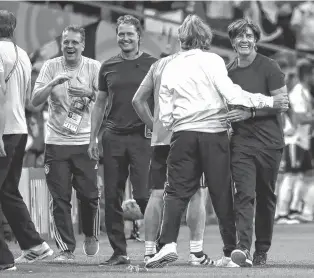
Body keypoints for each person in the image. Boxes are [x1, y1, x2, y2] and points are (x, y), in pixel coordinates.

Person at [144, 14, 289, 269]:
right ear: (207, 38)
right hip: (215, 134)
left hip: (183, 135)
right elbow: (231, 93)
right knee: (223, 193)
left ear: (181, 38)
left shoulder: (168, 65)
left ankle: (166, 244)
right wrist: (266, 101)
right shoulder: (215, 61)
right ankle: (232, 250)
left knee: (176, 191)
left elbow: (163, 111)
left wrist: (176, 124)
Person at [88, 15, 157, 265]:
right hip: (113, 137)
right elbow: (99, 104)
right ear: (116, 36)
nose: (125, 38)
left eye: (130, 34)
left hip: (142, 139)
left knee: (144, 196)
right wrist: (92, 139)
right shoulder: (107, 66)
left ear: (139, 36)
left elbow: (162, 100)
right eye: (121, 34)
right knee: (112, 198)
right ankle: (119, 252)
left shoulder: (153, 64)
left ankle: (155, 248)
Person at [132, 53, 211, 266]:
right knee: (196, 192)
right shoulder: (202, 62)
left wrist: (154, 125)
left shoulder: (159, 64)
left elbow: (137, 100)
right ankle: (196, 254)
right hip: (190, 136)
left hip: (162, 139)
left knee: (157, 193)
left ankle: (149, 251)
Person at [32, 25, 101, 261]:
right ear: (62, 44)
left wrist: (89, 92)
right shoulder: (51, 66)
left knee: (90, 196)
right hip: (56, 142)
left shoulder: (94, 67)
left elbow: (106, 101)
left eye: (74, 42)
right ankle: (66, 249)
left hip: (85, 142)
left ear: (82, 45)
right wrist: (52, 84)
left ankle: (90, 235)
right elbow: (34, 101)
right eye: (66, 42)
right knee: (60, 199)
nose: (69, 46)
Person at [226, 18, 288, 267]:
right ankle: (243, 248)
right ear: (232, 41)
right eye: (239, 36)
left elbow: (282, 104)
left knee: (266, 196)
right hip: (241, 143)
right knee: (243, 194)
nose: (244, 40)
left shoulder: (269, 66)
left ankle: (262, 249)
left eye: (249, 36)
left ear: (256, 40)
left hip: (270, 142)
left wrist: (249, 113)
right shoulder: (227, 72)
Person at [0, 10, 53, 271]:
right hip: (19, 130)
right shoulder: (21, 54)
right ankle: (34, 245)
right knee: (8, 191)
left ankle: (3, 260)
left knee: (7, 190)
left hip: (3, 131)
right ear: (13, 28)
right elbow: (29, 99)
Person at [276, 61, 314, 224]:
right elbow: (297, 118)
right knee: (290, 176)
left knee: (306, 176)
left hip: (303, 141)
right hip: (295, 140)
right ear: (307, 74)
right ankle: (282, 213)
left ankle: (299, 211)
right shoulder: (298, 93)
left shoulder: (305, 92)